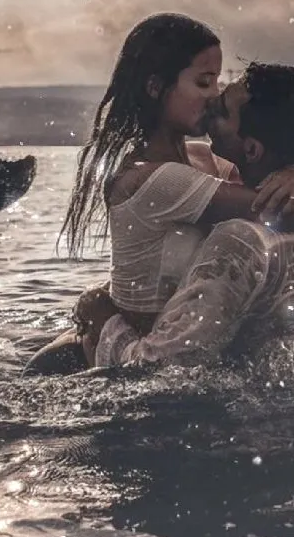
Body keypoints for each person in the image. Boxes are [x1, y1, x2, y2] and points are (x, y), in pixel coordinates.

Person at [25, 14, 294, 374]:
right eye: (203, 82)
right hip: (97, 363)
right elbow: (272, 205)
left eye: (216, 80)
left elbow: (267, 180)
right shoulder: (154, 178)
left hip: (157, 356)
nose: (215, 95)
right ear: (155, 87)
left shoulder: (202, 158)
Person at [94, 62, 294, 367]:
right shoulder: (273, 223)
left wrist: (102, 319)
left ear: (252, 150)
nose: (212, 101)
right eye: (206, 83)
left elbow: (159, 369)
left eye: (223, 111)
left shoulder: (241, 243)